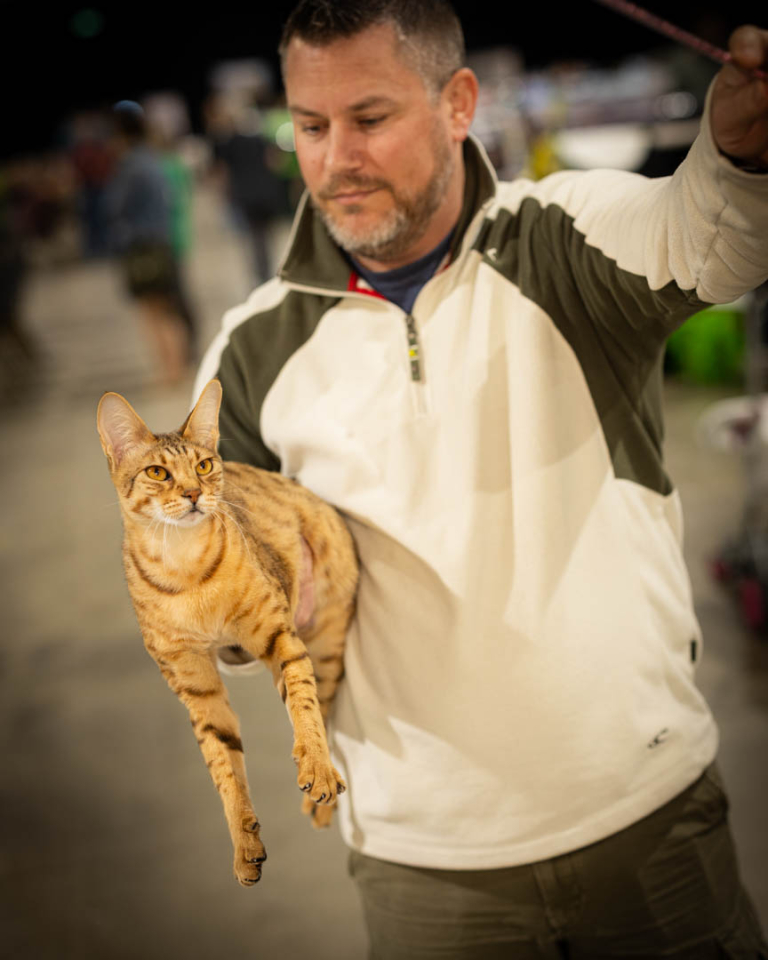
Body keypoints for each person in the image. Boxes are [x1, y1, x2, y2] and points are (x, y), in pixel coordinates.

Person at [194, 2, 768, 956]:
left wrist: (738, 158)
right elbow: (211, 583)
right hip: (422, 865)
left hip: (648, 818)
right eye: (310, 125)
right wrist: (238, 604)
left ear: (458, 102)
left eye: (370, 119)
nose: (336, 159)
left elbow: (705, 233)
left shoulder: (565, 236)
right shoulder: (251, 347)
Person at [106, 101, 194, 385]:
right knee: (168, 309)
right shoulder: (156, 161)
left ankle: (168, 372)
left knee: (153, 314)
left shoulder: (131, 165)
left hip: (142, 247)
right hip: (163, 242)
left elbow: (115, 207)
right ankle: (178, 368)